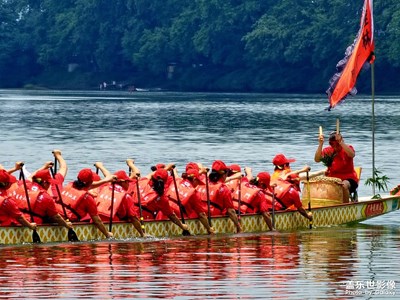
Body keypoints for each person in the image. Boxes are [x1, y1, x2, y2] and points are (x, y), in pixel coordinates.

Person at [59, 168, 114, 238]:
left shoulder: (70, 184)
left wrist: (106, 180)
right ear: (90, 182)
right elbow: (97, 220)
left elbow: (89, 185)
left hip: (55, 217)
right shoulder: (88, 198)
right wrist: (107, 234)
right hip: (69, 223)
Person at [94, 162, 145, 237]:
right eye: (127, 181)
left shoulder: (105, 186)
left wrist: (100, 166)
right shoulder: (126, 196)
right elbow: (133, 218)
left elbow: (107, 175)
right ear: (122, 182)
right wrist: (142, 234)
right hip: (110, 224)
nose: (129, 184)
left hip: (94, 220)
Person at [138, 168, 189, 233]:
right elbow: (171, 216)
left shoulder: (143, 182)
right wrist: (182, 226)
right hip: (144, 217)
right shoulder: (162, 198)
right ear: (165, 181)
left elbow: (149, 176)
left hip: (131, 215)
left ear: (153, 177)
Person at [166, 168, 215, 234]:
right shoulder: (193, 192)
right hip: (176, 218)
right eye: (198, 181)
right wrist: (209, 229)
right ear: (194, 179)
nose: (197, 185)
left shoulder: (177, 181)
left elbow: (176, 175)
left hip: (162, 214)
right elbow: (201, 215)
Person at [314, 131, 358, 203]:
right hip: (333, 179)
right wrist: (320, 144)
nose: (334, 147)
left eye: (337, 144)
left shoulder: (347, 148)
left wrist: (341, 143)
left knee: (343, 185)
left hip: (349, 179)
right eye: (332, 144)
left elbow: (352, 154)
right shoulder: (327, 150)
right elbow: (317, 159)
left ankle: (345, 207)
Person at [204, 160, 242, 233]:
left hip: (200, 214)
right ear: (224, 175)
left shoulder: (204, 182)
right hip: (213, 216)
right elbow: (231, 211)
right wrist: (238, 227)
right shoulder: (224, 189)